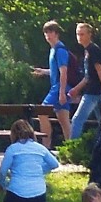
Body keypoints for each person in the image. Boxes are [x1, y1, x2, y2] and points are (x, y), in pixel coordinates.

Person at [31, 20, 72, 149]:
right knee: (64, 120)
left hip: (59, 88)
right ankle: (71, 149)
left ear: (56, 33)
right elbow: (55, 71)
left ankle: (46, 146)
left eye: (51, 32)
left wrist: (61, 92)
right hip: (59, 87)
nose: (48, 36)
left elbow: (64, 72)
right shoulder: (53, 50)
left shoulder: (60, 50)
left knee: (42, 112)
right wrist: (43, 72)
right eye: (46, 33)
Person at [69, 23, 101, 139]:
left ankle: (71, 148)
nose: (79, 37)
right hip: (92, 89)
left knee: (77, 119)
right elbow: (87, 76)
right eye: (77, 34)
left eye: (82, 34)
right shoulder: (86, 51)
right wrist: (76, 89)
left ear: (90, 34)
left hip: (94, 91)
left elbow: (100, 70)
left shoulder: (93, 49)